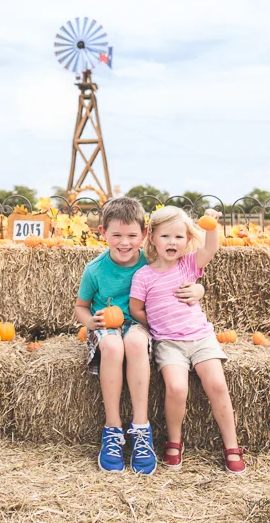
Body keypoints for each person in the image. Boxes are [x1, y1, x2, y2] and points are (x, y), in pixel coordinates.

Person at [75, 197, 205, 475]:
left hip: (138, 324)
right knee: (112, 347)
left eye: (132, 235)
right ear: (102, 233)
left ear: (144, 234)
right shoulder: (94, 269)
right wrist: (90, 322)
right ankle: (112, 429)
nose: (124, 242)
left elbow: (181, 279)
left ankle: (141, 428)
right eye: (116, 235)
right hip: (106, 324)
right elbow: (80, 307)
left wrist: (198, 290)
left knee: (134, 342)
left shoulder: (152, 262)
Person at [129, 206, 245, 474]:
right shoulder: (143, 276)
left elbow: (210, 250)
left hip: (200, 337)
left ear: (187, 240)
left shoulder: (188, 265)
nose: (172, 242)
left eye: (179, 237)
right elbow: (135, 309)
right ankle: (174, 441)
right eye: (165, 236)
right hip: (169, 343)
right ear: (152, 238)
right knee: (177, 388)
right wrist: (156, 323)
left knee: (217, 384)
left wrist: (211, 226)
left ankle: (231, 445)